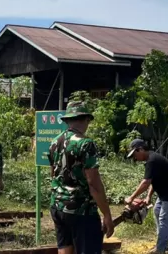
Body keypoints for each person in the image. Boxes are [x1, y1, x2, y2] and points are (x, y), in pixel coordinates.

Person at [49, 101, 114, 254]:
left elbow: (53, 174)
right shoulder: (86, 144)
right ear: (86, 119)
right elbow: (94, 184)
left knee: (65, 248)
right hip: (81, 210)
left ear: (68, 120)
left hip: (57, 206)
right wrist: (107, 214)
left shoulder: (54, 142)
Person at [125, 139, 168, 254]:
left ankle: (160, 249)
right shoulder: (152, 159)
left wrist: (131, 198)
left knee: (164, 220)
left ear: (141, 149)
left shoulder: (152, 160)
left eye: (135, 154)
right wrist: (148, 196)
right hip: (165, 192)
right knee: (157, 211)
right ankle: (164, 244)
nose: (135, 158)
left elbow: (146, 182)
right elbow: (153, 180)